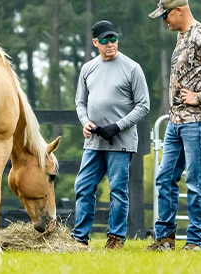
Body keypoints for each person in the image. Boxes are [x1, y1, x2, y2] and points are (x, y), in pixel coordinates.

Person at [145, 0, 201, 252]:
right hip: (176, 122)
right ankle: (165, 239)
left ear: (179, 10)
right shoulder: (182, 36)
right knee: (164, 178)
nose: (164, 21)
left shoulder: (199, 35)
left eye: (166, 15)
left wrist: (200, 96)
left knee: (195, 180)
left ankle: (195, 242)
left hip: (195, 121)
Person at [70, 20, 151, 250]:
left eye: (113, 38)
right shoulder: (88, 69)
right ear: (95, 42)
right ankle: (80, 238)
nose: (110, 44)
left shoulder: (132, 68)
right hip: (94, 141)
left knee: (118, 190)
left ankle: (115, 238)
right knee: (83, 186)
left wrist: (117, 126)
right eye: (104, 40)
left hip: (121, 142)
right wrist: (85, 122)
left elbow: (143, 105)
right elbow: (80, 102)